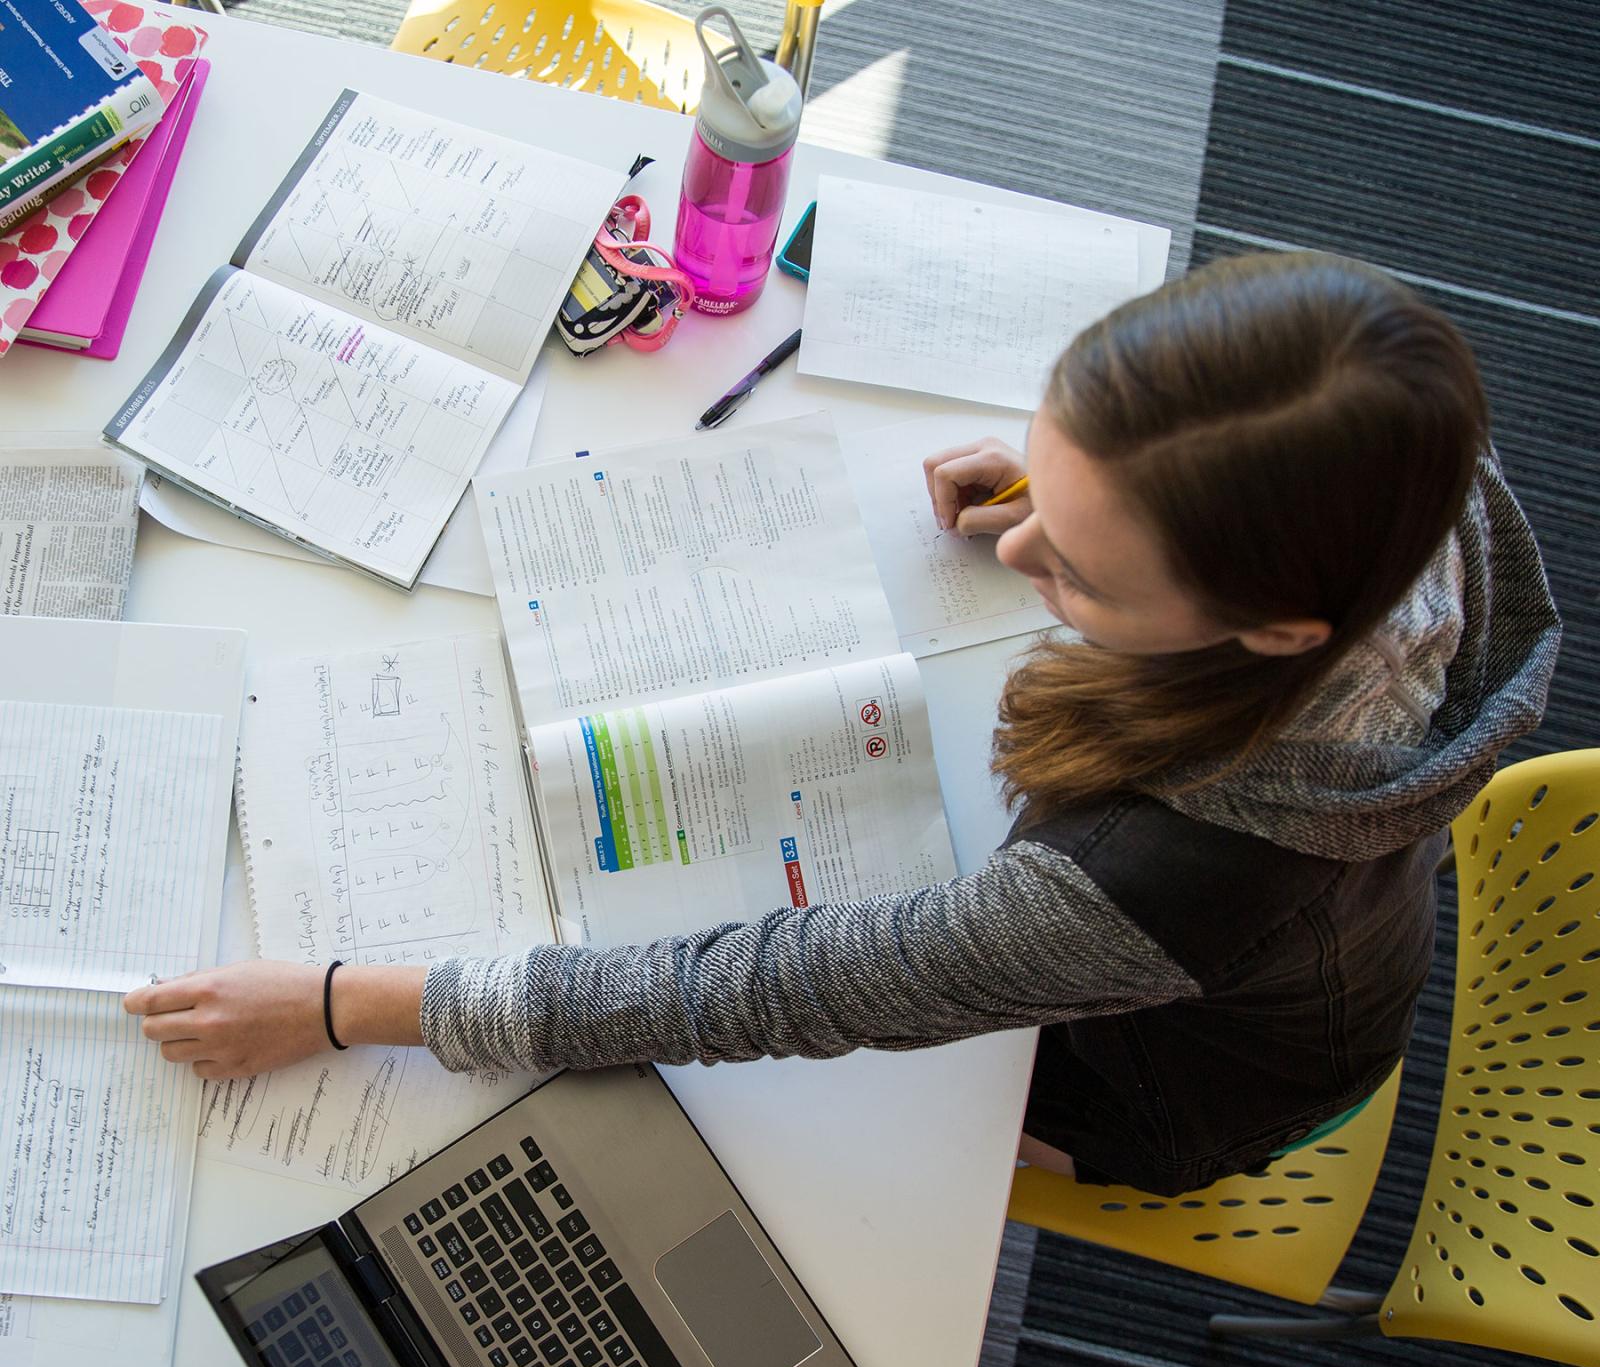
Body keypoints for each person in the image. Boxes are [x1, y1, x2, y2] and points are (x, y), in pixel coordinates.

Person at [123, 250, 1561, 1195]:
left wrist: (343, 1003)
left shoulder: (1163, 881)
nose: (1017, 562)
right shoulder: (1401, 449)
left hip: (1158, 1083)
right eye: (1051, 492)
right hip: (1312, 936)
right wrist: (1093, 505)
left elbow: (761, 992)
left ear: (1277, 627)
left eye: (1081, 570)